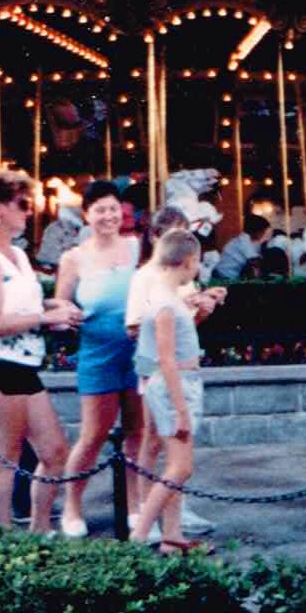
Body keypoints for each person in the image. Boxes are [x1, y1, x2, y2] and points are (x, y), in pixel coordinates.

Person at [0, 169, 81, 530]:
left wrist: (53, 308)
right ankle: (2, 538)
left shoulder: (16, 253)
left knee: (55, 452)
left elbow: (22, 306)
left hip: (24, 365)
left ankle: (39, 530)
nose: (30, 212)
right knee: (6, 457)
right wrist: (44, 318)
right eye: (23, 204)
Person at [125, 207, 225, 537]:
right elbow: (145, 335)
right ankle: (144, 520)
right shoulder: (151, 284)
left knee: (175, 457)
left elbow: (184, 330)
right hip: (161, 373)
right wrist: (176, 402)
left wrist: (202, 305)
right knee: (165, 451)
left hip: (175, 372)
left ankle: (173, 527)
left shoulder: (175, 286)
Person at [53, 181, 144, 538]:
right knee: (93, 434)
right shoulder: (74, 258)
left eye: (113, 209)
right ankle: (72, 506)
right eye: (100, 210)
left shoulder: (137, 247)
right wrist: (66, 314)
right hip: (96, 354)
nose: (108, 216)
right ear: (86, 215)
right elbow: (60, 304)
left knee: (137, 433)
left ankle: (135, 505)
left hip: (137, 352)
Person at [212, 213, 271, 280]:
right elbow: (255, 261)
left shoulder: (249, 241)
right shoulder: (244, 240)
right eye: (263, 231)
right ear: (257, 231)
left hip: (230, 274)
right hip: (224, 275)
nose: (263, 234)